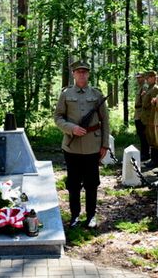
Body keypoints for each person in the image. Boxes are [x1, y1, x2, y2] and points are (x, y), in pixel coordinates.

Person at [54, 61, 110, 229]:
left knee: (92, 183)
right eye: (79, 72)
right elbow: (58, 117)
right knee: (73, 183)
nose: (82, 75)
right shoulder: (65, 94)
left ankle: (91, 215)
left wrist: (105, 144)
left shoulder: (97, 94)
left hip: (93, 145)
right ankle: (75, 215)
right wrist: (71, 128)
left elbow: (105, 121)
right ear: (73, 74)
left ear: (88, 74)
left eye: (85, 72)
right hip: (72, 146)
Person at [142, 71, 158, 169]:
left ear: (153, 77)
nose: (146, 79)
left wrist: (153, 121)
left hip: (151, 118)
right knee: (150, 139)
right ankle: (153, 159)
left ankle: (155, 160)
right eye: (146, 77)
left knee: (154, 140)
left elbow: (154, 107)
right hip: (147, 117)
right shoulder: (149, 88)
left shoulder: (155, 89)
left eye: (148, 77)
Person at [134, 73, 149, 161]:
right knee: (141, 135)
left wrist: (143, 116)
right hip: (138, 113)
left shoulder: (145, 87)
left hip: (141, 115)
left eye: (140, 78)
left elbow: (145, 103)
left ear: (144, 78)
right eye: (137, 78)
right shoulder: (140, 87)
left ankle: (145, 153)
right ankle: (144, 152)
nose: (138, 79)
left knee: (143, 135)